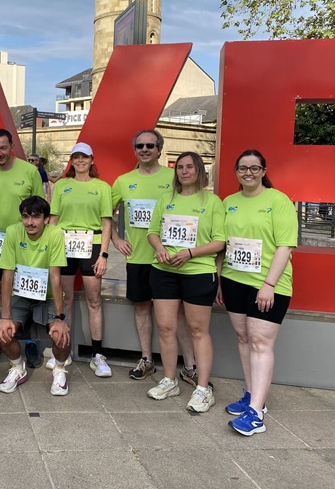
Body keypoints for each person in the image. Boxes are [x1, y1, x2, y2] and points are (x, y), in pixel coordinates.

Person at [111, 130, 201, 385]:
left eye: (151, 145)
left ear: (160, 149)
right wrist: (116, 240)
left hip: (171, 259)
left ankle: (190, 366)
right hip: (138, 258)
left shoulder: (173, 178)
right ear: (135, 150)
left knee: (179, 314)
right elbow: (105, 212)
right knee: (141, 308)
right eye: (140, 145)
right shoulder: (123, 181)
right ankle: (147, 359)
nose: (145, 149)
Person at [218, 149, 297, 435]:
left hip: (268, 285)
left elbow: (285, 246)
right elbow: (223, 244)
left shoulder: (279, 201)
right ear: (236, 171)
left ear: (264, 170)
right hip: (233, 280)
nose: (248, 173)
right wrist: (218, 279)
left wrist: (269, 285)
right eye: (242, 168)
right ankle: (252, 396)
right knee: (243, 338)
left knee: (261, 343)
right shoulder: (229, 202)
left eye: (254, 168)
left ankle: (256, 415)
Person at [146, 152, 225, 412]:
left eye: (189, 166)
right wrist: (158, 247)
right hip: (164, 271)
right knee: (166, 327)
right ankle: (170, 380)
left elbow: (219, 241)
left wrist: (190, 253)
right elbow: (152, 232)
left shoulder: (212, 202)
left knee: (198, 330)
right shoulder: (165, 199)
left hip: (198, 272)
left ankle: (203, 388)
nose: (184, 171)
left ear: (199, 170)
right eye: (179, 167)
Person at [0, 129, 44, 365]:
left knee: (29, 290)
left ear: (12, 146)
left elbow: (40, 206)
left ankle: (31, 342)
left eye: (3, 148)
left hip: (28, 239)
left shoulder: (29, 171)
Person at [49, 142, 113, 376]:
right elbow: (53, 219)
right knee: (65, 300)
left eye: (84, 157)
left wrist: (104, 254)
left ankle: (97, 354)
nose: (80, 161)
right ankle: (64, 352)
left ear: (91, 160)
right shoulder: (62, 186)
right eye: (76, 157)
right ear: (71, 161)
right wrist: (48, 248)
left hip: (92, 246)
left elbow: (107, 222)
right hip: (64, 247)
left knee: (93, 299)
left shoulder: (102, 187)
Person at [0, 197, 70, 395]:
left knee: (61, 336)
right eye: (26, 216)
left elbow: (55, 276)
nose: (30, 222)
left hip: (47, 296)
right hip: (20, 294)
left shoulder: (55, 234)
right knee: (3, 332)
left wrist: (59, 318)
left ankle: (60, 369)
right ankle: (17, 368)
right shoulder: (13, 232)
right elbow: (7, 274)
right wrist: (5, 316)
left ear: (46, 219)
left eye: (36, 217)